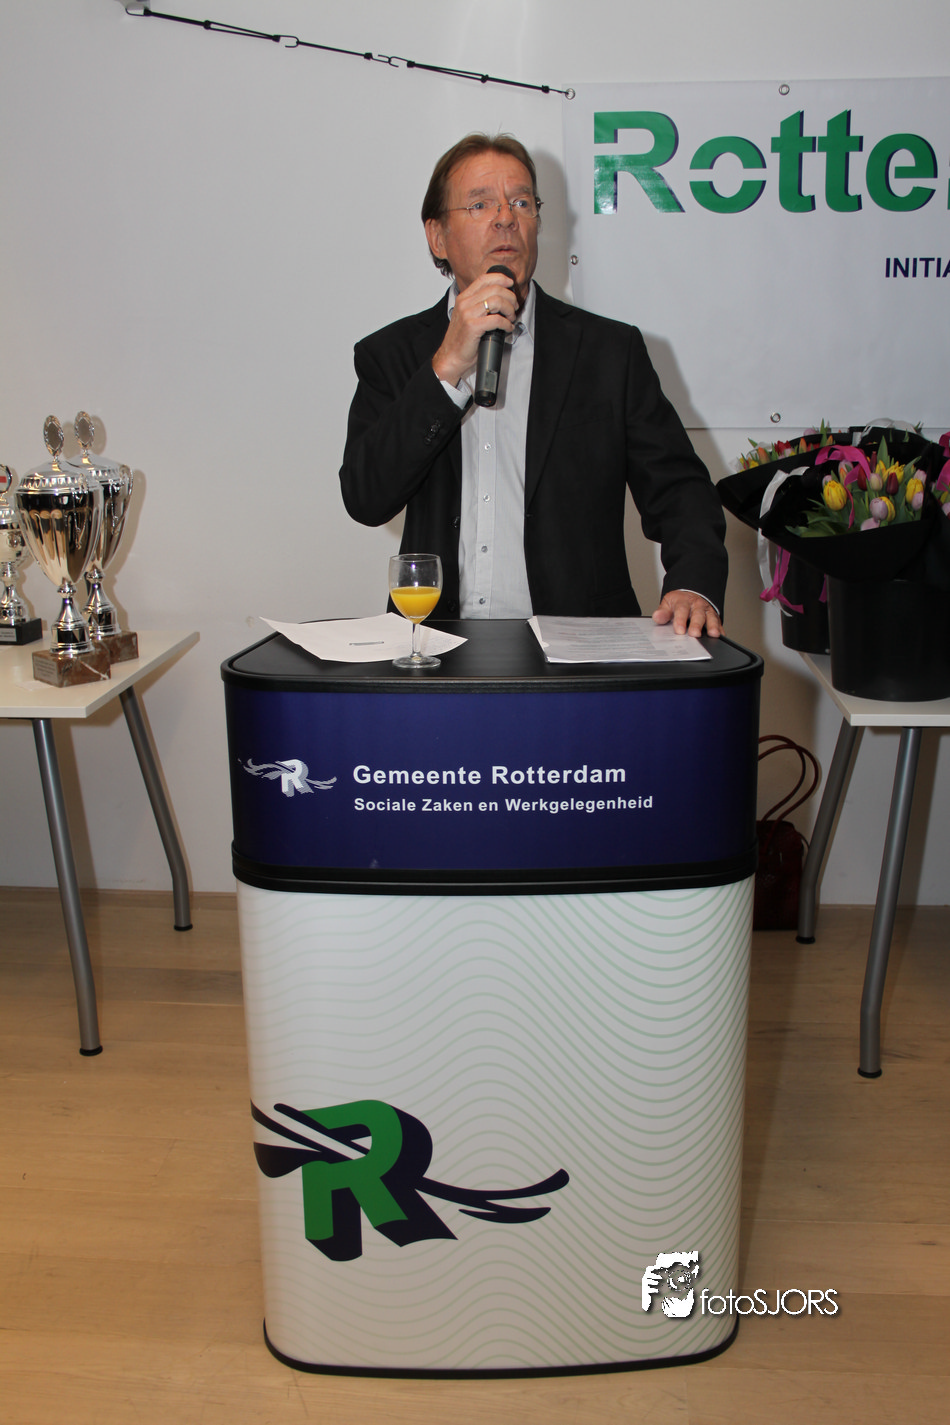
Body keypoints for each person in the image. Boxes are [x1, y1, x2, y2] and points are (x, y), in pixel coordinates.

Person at [339, 133, 726, 636]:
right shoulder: (392, 354)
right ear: (437, 237)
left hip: (578, 649)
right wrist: (447, 367)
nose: (506, 218)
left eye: (521, 202)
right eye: (480, 204)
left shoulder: (609, 352)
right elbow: (366, 497)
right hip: (435, 647)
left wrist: (694, 584)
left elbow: (680, 490)